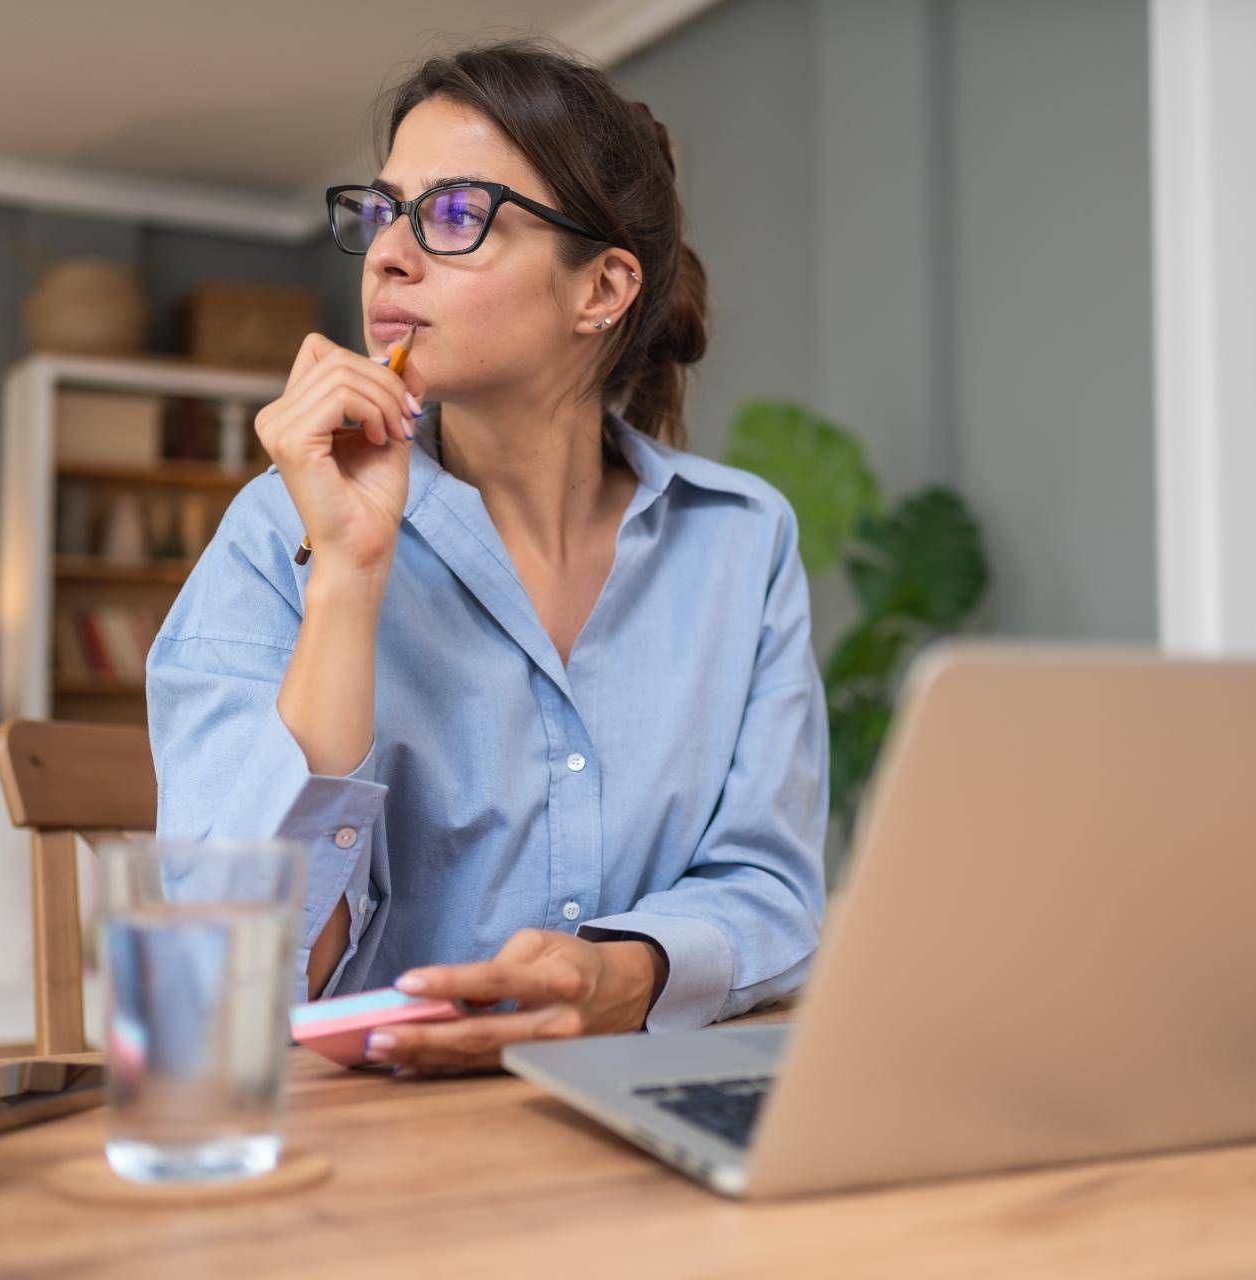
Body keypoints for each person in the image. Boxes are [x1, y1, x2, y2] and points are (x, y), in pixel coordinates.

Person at [145, 38, 828, 1077]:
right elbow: (239, 966)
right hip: (369, 1142)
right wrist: (347, 571)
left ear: (601, 288)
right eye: (380, 213)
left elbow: (769, 886)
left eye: (454, 216)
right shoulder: (273, 531)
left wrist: (626, 972)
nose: (386, 254)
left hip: (639, 1110)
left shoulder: (742, 540)